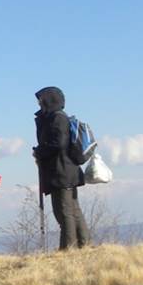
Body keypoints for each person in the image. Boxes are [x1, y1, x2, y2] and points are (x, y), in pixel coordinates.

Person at [34, 86, 90, 250]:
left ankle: (68, 247)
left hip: (61, 171)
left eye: (41, 100)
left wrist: (39, 151)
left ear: (49, 100)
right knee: (73, 209)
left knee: (64, 212)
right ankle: (84, 244)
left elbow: (58, 143)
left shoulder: (57, 118)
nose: (39, 103)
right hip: (67, 170)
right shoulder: (57, 117)